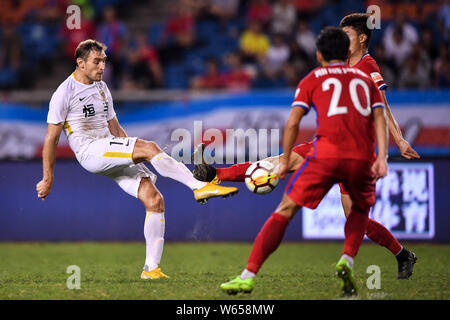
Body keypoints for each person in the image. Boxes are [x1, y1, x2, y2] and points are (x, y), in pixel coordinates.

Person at [193, 13, 419, 280]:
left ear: (361, 38)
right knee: (280, 161)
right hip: (326, 145)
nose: (341, 40)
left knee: (356, 219)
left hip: (357, 150)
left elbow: (383, 107)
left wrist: (399, 139)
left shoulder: (368, 66)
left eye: (347, 36)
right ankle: (215, 175)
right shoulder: (341, 64)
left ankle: (402, 254)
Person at [35, 39, 238, 280]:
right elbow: (51, 139)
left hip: (109, 149)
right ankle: (199, 186)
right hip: (90, 151)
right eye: (96, 62)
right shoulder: (63, 93)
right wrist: (48, 178)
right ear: (80, 63)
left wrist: (135, 155)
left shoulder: (102, 88)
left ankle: (151, 269)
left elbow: (116, 129)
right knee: (151, 147)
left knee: (154, 199)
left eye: (104, 61)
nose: (102, 67)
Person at [220, 26, 389, 296]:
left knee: (285, 210)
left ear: (319, 53)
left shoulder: (313, 78)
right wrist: (382, 157)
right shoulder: (365, 79)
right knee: (358, 211)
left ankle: (248, 275)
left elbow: (293, 122)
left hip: (325, 154)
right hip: (362, 157)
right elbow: (380, 118)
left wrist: (286, 159)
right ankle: (347, 258)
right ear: (345, 51)